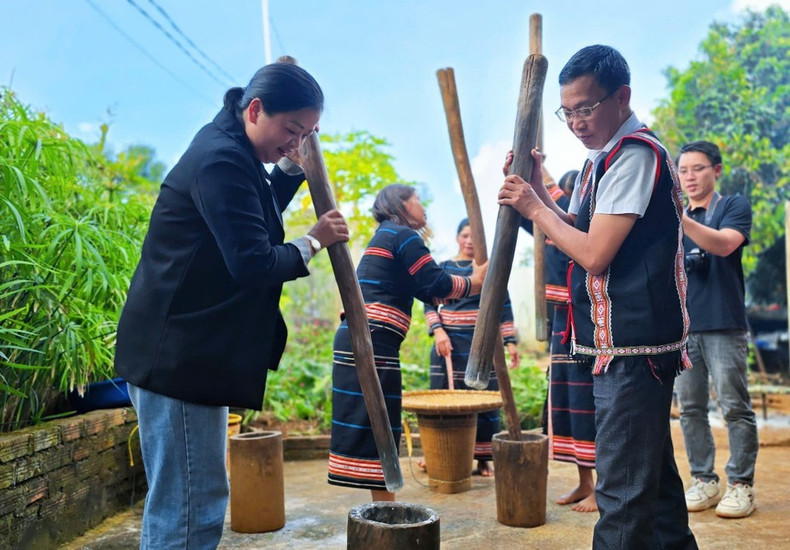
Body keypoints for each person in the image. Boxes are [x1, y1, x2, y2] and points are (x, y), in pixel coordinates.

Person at [114, 62, 349, 548]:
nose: (296, 143)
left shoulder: (231, 149)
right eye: (291, 130)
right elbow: (253, 261)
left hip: (190, 354)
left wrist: (290, 168)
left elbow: (250, 209)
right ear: (256, 110)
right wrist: (312, 241)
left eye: (306, 135)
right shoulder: (220, 158)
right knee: (189, 506)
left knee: (188, 499)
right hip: (178, 359)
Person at [498, 45, 697, 548]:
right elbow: (578, 227)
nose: (575, 123)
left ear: (622, 96)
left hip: (633, 348)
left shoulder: (634, 156)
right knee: (655, 487)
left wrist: (533, 208)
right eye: (567, 112)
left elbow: (593, 253)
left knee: (623, 494)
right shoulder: (601, 159)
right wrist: (538, 190)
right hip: (624, 345)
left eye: (585, 108)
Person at [327, 184, 486, 502]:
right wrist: (475, 281)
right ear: (400, 204)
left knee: (376, 423)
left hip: (366, 339)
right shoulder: (402, 235)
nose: (423, 207)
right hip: (370, 340)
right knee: (377, 424)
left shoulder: (389, 236)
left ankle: (384, 507)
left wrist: (467, 283)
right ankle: (385, 511)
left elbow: (426, 290)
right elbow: (436, 283)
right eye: (417, 200)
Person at [674, 140, 758, 518]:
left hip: (724, 324)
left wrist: (680, 219)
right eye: (683, 171)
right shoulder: (677, 216)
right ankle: (703, 480)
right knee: (690, 408)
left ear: (717, 170)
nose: (689, 177)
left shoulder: (732, 206)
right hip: (683, 329)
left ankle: (741, 485)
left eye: (698, 168)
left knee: (734, 407)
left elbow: (724, 245)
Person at [423, 218, 520, 477]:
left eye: (473, 237)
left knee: (483, 398)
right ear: (458, 238)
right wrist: (438, 331)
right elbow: (428, 302)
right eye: (464, 236)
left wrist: (510, 342)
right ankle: (439, 453)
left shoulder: (491, 270)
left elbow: (504, 305)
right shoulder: (444, 267)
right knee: (443, 399)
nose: (468, 241)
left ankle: (483, 459)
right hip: (449, 345)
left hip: (483, 345)